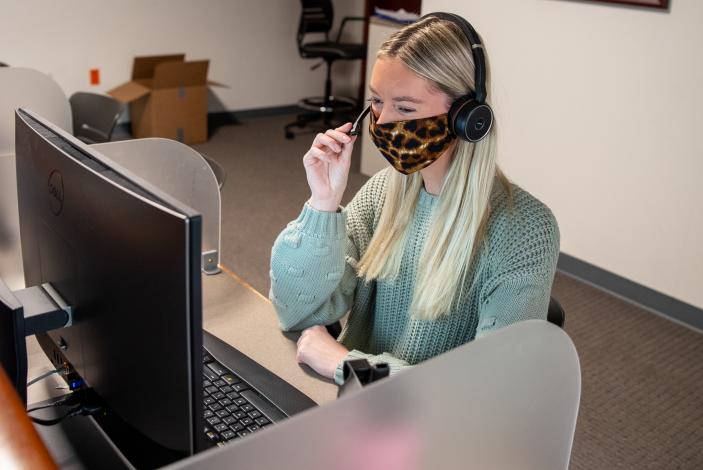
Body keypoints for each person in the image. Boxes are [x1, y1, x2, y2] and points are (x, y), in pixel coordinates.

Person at [269, 13, 560, 385]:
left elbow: (492, 387)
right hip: (351, 404)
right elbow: (296, 313)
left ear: (467, 118)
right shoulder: (381, 193)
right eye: (376, 101)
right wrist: (322, 204)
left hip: (436, 430)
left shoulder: (525, 228)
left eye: (405, 108)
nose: (383, 122)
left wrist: (348, 365)